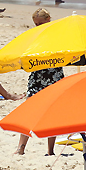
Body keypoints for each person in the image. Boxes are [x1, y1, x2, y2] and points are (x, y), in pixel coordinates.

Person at [14, 9, 64, 156]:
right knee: (29, 111)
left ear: (48, 19)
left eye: (40, 23)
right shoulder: (35, 35)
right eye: (36, 24)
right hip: (37, 76)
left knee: (52, 114)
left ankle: (50, 150)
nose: (38, 26)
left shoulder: (58, 35)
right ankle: (20, 148)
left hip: (54, 75)